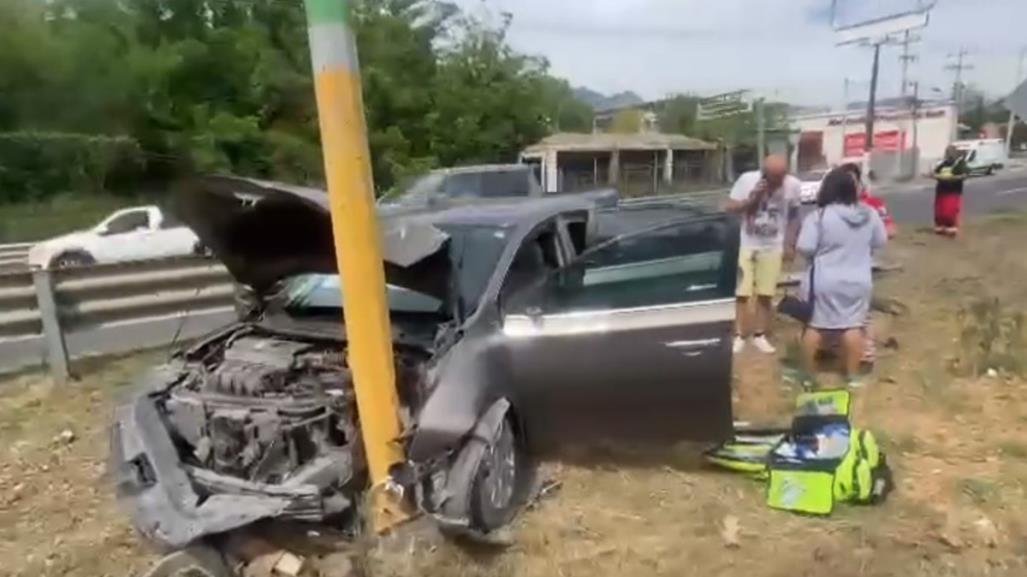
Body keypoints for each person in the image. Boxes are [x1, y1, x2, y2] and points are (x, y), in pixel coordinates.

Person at [796, 167, 888, 389]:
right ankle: (853, 376)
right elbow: (880, 241)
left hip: (825, 281)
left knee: (815, 327)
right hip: (858, 280)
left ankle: (807, 374)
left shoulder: (819, 217)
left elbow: (805, 247)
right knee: (853, 326)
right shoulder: (869, 214)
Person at [726, 154, 802, 354]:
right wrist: (753, 198)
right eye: (772, 177)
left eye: (780, 177)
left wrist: (790, 243)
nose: (777, 182)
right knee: (742, 292)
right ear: (763, 173)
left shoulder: (793, 185)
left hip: (773, 245)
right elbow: (729, 207)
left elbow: (794, 216)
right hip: (746, 243)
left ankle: (760, 334)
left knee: (765, 293)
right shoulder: (747, 180)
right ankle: (739, 335)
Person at [933, 145, 969, 237]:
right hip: (941, 191)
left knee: (950, 211)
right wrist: (935, 176)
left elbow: (965, 174)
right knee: (940, 211)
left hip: (953, 191)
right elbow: (935, 173)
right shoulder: (943, 164)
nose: (948, 155)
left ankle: (951, 227)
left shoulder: (959, 163)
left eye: (950, 152)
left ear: (954, 153)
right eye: (947, 152)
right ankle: (940, 226)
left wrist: (953, 178)